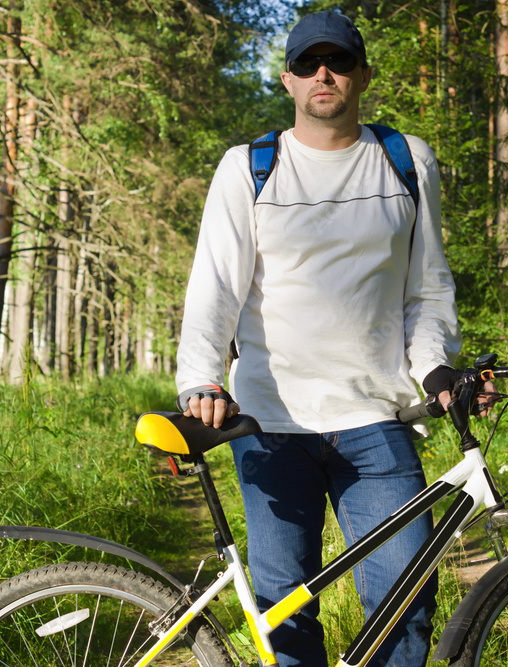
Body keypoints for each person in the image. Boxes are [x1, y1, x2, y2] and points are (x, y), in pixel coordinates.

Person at [175, 10, 472, 666]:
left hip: (378, 420)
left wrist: (436, 369)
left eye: (337, 61)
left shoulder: (406, 160)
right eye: (308, 64)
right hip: (271, 425)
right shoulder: (248, 168)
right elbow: (214, 288)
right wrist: (201, 380)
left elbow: (427, 289)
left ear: (363, 74)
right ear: (287, 80)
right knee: (287, 620)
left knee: (407, 604)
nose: (323, 74)